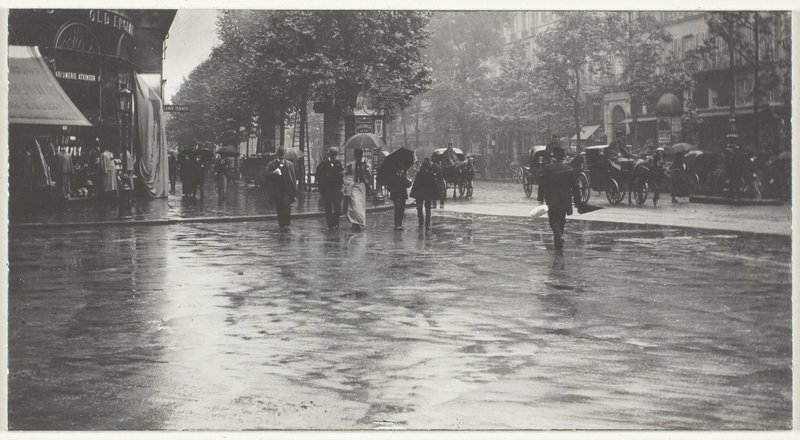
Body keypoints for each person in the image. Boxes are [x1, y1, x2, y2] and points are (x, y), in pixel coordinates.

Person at [537, 145, 583, 250]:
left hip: (552, 198)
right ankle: (559, 237)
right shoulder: (569, 169)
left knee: (552, 219)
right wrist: (578, 202)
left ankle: (558, 236)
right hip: (565, 199)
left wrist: (540, 198)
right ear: (562, 159)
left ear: (553, 158)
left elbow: (542, 184)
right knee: (562, 219)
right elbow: (575, 187)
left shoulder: (548, 168)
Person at [266, 148, 297, 231]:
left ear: (284, 156)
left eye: (282, 157)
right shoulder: (271, 164)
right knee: (279, 207)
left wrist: (294, 191)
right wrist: (273, 173)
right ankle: (282, 224)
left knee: (287, 206)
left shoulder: (290, 164)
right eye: (280, 157)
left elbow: (293, 178)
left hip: (287, 189)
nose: (281, 159)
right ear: (277, 156)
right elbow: (266, 175)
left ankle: (287, 224)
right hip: (277, 189)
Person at [316, 147, 345, 230]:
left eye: (335, 155)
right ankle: (330, 224)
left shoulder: (338, 163)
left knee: (337, 207)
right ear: (330, 155)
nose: (334, 157)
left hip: (336, 189)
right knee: (328, 208)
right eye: (333, 155)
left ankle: (336, 223)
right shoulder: (323, 164)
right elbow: (318, 176)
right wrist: (322, 188)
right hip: (327, 189)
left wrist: (341, 185)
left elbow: (341, 175)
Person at [344, 147, 372, 230]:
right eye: (357, 156)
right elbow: (346, 174)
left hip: (362, 186)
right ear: (355, 156)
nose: (358, 158)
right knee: (354, 204)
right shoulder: (351, 165)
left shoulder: (365, 165)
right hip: (354, 186)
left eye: (360, 156)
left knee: (360, 206)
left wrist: (367, 170)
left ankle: (358, 222)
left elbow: (369, 177)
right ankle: (354, 221)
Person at [410, 158, 438, 231]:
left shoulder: (423, 174)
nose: (426, 169)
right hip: (423, 194)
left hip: (423, 194)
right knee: (423, 209)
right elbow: (433, 185)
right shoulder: (425, 174)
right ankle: (423, 223)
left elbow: (433, 185)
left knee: (425, 210)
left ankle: (425, 224)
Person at [386, 164, 412, 230]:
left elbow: (407, 185)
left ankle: (400, 224)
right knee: (397, 209)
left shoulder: (403, 177)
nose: (402, 171)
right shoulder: (393, 177)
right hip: (396, 195)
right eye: (401, 170)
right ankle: (396, 224)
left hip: (403, 195)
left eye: (402, 170)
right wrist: (393, 191)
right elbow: (389, 186)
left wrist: (410, 182)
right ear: (398, 170)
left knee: (402, 210)